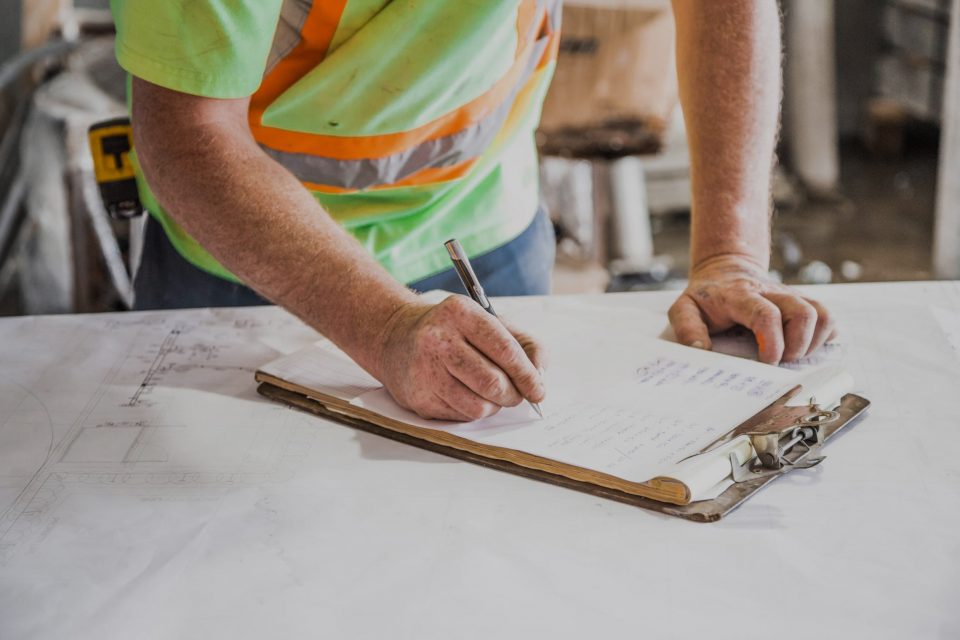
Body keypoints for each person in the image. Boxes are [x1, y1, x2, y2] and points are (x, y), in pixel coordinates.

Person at [113, 0, 835, 421]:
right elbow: (187, 131)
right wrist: (384, 324)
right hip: (250, 264)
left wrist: (729, 256)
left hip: (488, 227)